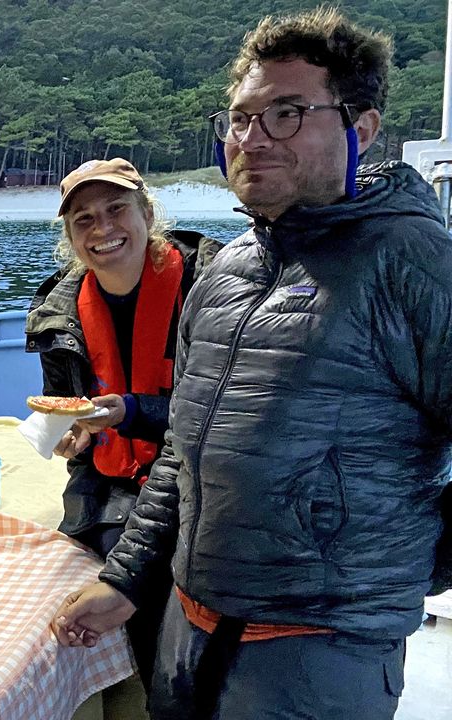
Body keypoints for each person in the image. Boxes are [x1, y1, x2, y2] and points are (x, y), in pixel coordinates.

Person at [52, 8, 452, 719]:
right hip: (188, 624)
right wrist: (127, 580)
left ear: (360, 130)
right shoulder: (230, 267)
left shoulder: (415, 263)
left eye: (287, 114)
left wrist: (406, 566)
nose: (251, 139)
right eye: (239, 118)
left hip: (319, 653)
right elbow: (182, 451)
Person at [26, 157, 220, 694]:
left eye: (116, 209)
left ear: (146, 212)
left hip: (204, 471)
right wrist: (72, 435)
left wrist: (132, 411)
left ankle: (175, 690)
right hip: (111, 475)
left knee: (168, 569)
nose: (103, 229)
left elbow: (221, 411)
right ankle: (126, 688)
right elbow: (67, 404)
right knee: (79, 562)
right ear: (69, 236)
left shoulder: (211, 286)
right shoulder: (57, 313)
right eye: (83, 220)